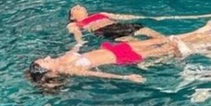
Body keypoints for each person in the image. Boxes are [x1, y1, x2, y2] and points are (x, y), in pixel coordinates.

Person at [29, 36, 183, 85]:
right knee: (165, 49)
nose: (48, 57)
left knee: (159, 41)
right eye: (46, 61)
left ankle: (189, 37)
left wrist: (78, 43)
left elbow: (73, 51)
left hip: (113, 49)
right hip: (119, 57)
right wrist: (125, 77)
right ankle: (185, 48)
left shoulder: (61, 60)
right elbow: (96, 74)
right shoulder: (66, 69)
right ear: (49, 70)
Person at [66, 4, 166, 46]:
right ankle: (156, 52)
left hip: (120, 25)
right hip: (107, 31)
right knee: (135, 42)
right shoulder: (74, 24)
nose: (78, 6)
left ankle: (168, 42)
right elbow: (76, 32)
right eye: (74, 8)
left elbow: (121, 17)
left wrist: (149, 17)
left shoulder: (100, 14)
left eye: (79, 6)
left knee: (147, 30)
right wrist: (79, 42)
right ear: (72, 17)